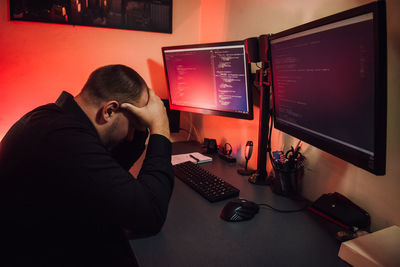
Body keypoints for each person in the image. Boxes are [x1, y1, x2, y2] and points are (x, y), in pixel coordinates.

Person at [0, 65, 174, 266]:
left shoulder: (52, 119)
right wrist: (160, 128)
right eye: (133, 126)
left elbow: (111, 169)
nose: (130, 136)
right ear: (109, 111)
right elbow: (150, 214)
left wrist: (140, 127)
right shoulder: (65, 141)